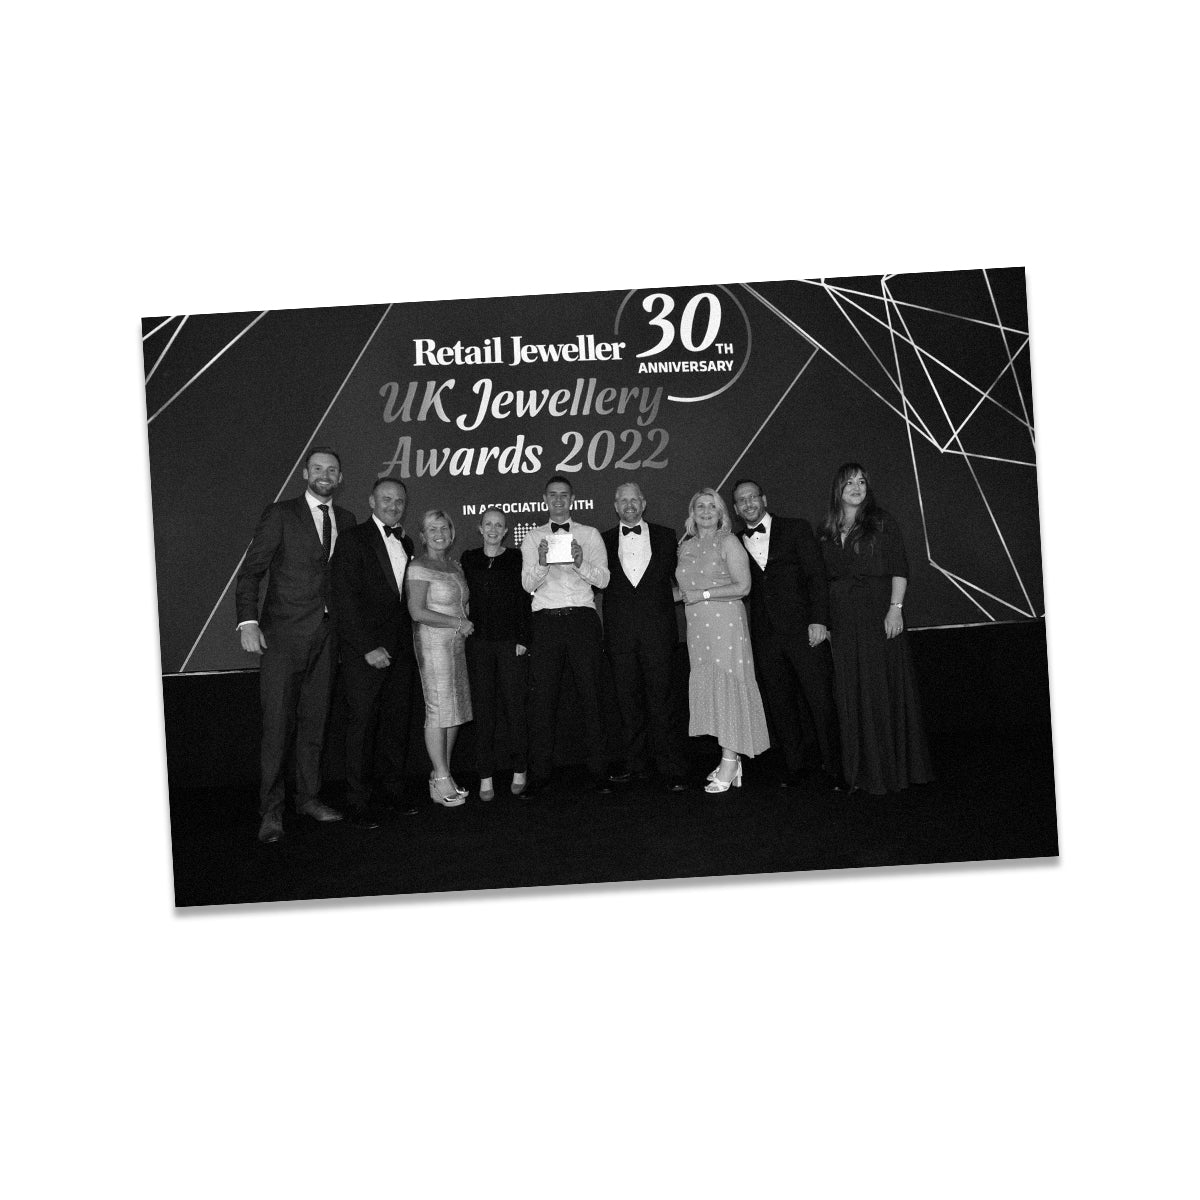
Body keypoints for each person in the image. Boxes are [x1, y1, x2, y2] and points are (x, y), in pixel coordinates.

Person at [235, 447, 356, 843]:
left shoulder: (347, 519)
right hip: (282, 638)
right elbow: (251, 571)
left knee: (314, 724)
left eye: (332, 470)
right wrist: (248, 622)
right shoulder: (281, 514)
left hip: (327, 637)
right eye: (317, 468)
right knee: (277, 728)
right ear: (305, 473)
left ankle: (308, 798)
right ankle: (271, 812)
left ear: (340, 477)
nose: (325, 475)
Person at [818, 463, 934, 795]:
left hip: (878, 615)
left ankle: (890, 770)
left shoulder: (882, 522)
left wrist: (895, 609)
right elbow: (823, 579)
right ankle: (861, 771)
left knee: (880, 689)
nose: (857, 487)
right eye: (849, 482)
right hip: (843, 621)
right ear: (838, 489)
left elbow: (899, 567)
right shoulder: (826, 529)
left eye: (862, 482)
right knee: (852, 692)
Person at [732, 477, 842, 789]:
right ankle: (795, 767)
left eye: (753, 497)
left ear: (764, 499)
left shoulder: (796, 528)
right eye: (741, 500)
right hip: (765, 636)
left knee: (821, 701)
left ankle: (836, 768)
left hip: (805, 630)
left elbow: (816, 576)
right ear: (736, 509)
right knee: (780, 705)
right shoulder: (735, 542)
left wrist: (819, 621)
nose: (748, 503)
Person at [329, 476, 419, 826]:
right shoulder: (353, 539)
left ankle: (393, 792)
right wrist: (367, 647)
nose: (393, 505)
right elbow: (343, 599)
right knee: (362, 726)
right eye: (386, 499)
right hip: (365, 651)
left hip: (401, 650)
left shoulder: (407, 541)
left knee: (396, 724)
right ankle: (358, 801)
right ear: (371, 501)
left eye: (399, 501)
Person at [519, 474, 612, 796]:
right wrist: (543, 563)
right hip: (545, 621)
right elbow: (527, 585)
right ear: (545, 499)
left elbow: (604, 580)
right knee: (542, 700)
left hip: (582, 619)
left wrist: (580, 562)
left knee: (591, 697)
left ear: (572, 499)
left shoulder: (589, 534)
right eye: (553, 495)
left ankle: (599, 772)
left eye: (563, 495)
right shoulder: (533, 537)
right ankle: (540, 775)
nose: (558, 500)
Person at [674, 488, 770, 792]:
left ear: (721, 513)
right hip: (697, 628)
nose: (706, 511)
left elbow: (743, 586)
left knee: (728, 687)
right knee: (713, 688)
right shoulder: (685, 546)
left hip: (725, 624)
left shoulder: (728, 541)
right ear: (692, 512)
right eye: (700, 506)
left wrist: (703, 594)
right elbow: (683, 590)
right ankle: (729, 756)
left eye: (712, 507)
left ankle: (730, 760)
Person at [599, 483, 688, 791]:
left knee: (663, 702)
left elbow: (684, 579)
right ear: (615, 506)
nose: (629, 504)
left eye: (634, 499)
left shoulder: (667, 536)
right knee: (627, 704)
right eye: (623, 500)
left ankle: (671, 767)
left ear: (644, 503)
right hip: (620, 636)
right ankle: (635, 765)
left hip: (659, 634)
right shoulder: (603, 540)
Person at [460, 508, 531, 801]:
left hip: (509, 643)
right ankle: (485, 775)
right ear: (480, 528)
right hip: (479, 644)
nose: (493, 529)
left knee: (515, 708)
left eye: (498, 525)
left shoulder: (516, 557)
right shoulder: (468, 558)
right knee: (484, 711)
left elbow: (524, 599)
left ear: (505, 531)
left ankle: (520, 768)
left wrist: (523, 638)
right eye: (488, 524)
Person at [407, 510, 474, 806]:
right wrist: (457, 623)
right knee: (438, 709)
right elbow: (417, 612)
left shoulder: (454, 566)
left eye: (444, 528)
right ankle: (442, 776)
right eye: (432, 529)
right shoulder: (418, 566)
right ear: (423, 536)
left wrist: (462, 623)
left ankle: (440, 776)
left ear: (452, 533)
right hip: (433, 643)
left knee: (455, 709)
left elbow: (461, 604)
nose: (439, 533)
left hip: (456, 645)